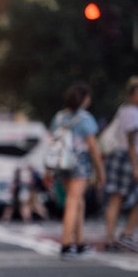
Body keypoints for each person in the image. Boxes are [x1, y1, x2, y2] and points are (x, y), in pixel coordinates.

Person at [48, 82, 105, 260]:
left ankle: (80, 243)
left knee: (78, 201)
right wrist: (100, 171)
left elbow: (52, 142)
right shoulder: (85, 119)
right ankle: (66, 244)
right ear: (84, 99)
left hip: (62, 163)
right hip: (79, 163)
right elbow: (93, 148)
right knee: (74, 201)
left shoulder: (58, 117)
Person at [103, 79, 138, 252]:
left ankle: (113, 238)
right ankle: (125, 235)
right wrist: (136, 166)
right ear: (132, 94)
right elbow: (131, 143)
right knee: (117, 198)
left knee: (115, 199)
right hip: (127, 157)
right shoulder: (131, 112)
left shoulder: (123, 110)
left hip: (120, 156)